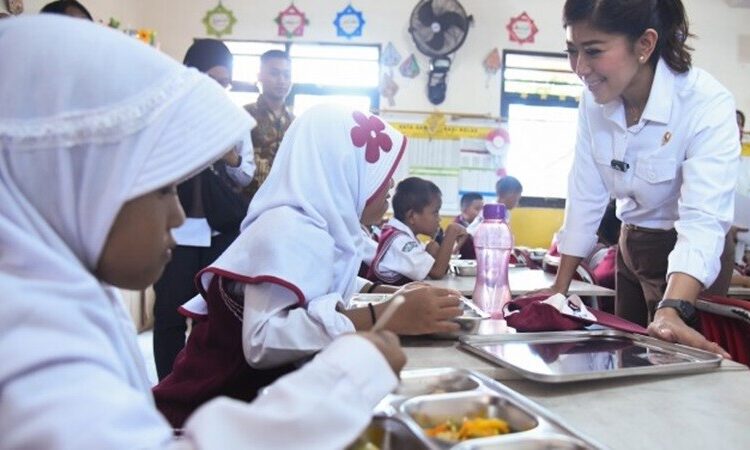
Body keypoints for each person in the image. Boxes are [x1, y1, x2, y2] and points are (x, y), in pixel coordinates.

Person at [0, 15, 406, 450]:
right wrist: (348, 378)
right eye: (164, 188)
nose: (176, 214)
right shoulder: (26, 341)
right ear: (76, 182)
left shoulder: (63, 301)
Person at [153, 106, 463, 427]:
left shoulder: (320, 226)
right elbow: (261, 341)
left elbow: (315, 277)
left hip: (250, 409)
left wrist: (390, 295)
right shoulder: (288, 228)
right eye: (376, 172)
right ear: (340, 170)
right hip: (206, 416)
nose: (390, 185)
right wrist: (383, 316)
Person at [552, 0, 738, 358]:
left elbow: (702, 221)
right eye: (572, 51)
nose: (580, 68)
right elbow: (584, 194)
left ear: (645, 45)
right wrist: (558, 292)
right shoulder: (594, 102)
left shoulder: (705, 103)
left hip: (685, 256)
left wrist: (675, 308)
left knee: (673, 363)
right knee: (628, 359)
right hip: (630, 243)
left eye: (593, 51)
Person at [152, 38, 255, 381]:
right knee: (168, 313)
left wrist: (230, 156)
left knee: (211, 315)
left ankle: (196, 384)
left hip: (219, 230)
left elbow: (246, 174)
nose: (219, 89)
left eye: (225, 83)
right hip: (173, 230)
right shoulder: (165, 112)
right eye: (212, 79)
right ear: (191, 73)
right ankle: (167, 386)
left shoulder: (233, 118)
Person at [366, 177, 468, 285]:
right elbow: (437, 272)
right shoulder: (399, 240)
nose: (439, 219)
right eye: (435, 212)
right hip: (384, 298)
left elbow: (441, 269)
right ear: (412, 216)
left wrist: (434, 249)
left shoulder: (404, 235)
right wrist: (452, 232)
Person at [243, 50, 294, 199]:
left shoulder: (296, 122)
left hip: (284, 203)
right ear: (260, 76)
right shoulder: (244, 116)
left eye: (286, 75)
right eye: (274, 73)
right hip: (246, 202)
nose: (281, 80)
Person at [454, 192, 483, 259]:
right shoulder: (456, 226)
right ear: (464, 209)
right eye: (477, 209)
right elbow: (452, 252)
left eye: (482, 209)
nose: (481, 213)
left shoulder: (480, 225)